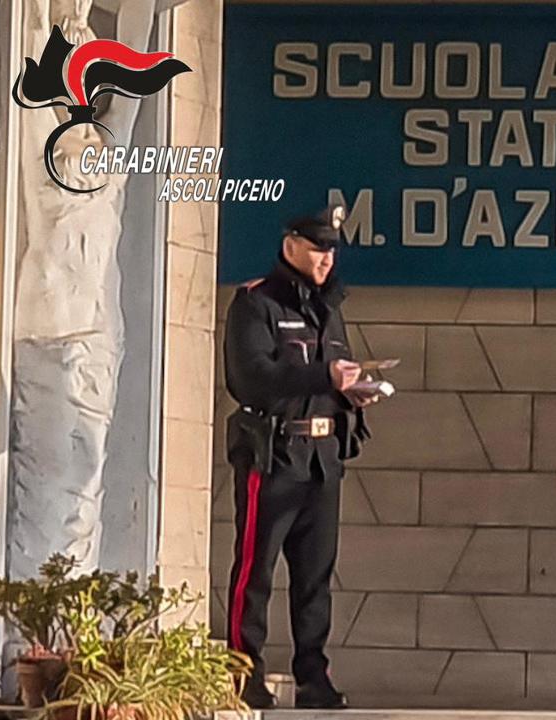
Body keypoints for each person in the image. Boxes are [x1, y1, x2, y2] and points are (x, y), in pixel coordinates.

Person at [222, 204, 379, 710]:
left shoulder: (328, 307)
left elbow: (336, 373)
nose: (327, 259)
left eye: (332, 250)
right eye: (318, 249)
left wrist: (354, 391)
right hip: (275, 455)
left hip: (322, 458)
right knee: (256, 572)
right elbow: (252, 378)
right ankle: (243, 671)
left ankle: (313, 673)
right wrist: (323, 378)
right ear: (290, 246)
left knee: (315, 578)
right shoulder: (257, 304)